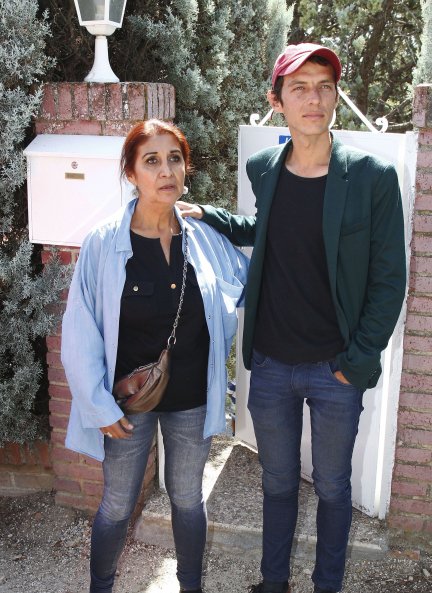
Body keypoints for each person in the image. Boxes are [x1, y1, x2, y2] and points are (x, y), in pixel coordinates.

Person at [177, 43, 406, 593]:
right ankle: (272, 582)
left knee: (331, 487)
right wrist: (211, 216)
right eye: (299, 87)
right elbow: (266, 233)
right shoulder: (265, 169)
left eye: (324, 86)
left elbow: (388, 280)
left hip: (336, 370)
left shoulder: (372, 177)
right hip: (272, 363)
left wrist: (357, 361)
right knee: (277, 485)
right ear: (276, 100)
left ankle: (327, 584)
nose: (315, 98)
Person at [61, 119, 248, 593]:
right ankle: (100, 586)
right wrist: (96, 406)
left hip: (191, 399)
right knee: (118, 503)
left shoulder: (204, 239)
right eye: (151, 160)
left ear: (185, 169)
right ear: (130, 173)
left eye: (175, 159)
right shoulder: (104, 243)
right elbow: (80, 328)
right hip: (126, 406)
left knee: (187, 499)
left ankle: (191, 586)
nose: (166, 171)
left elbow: (252, 280)